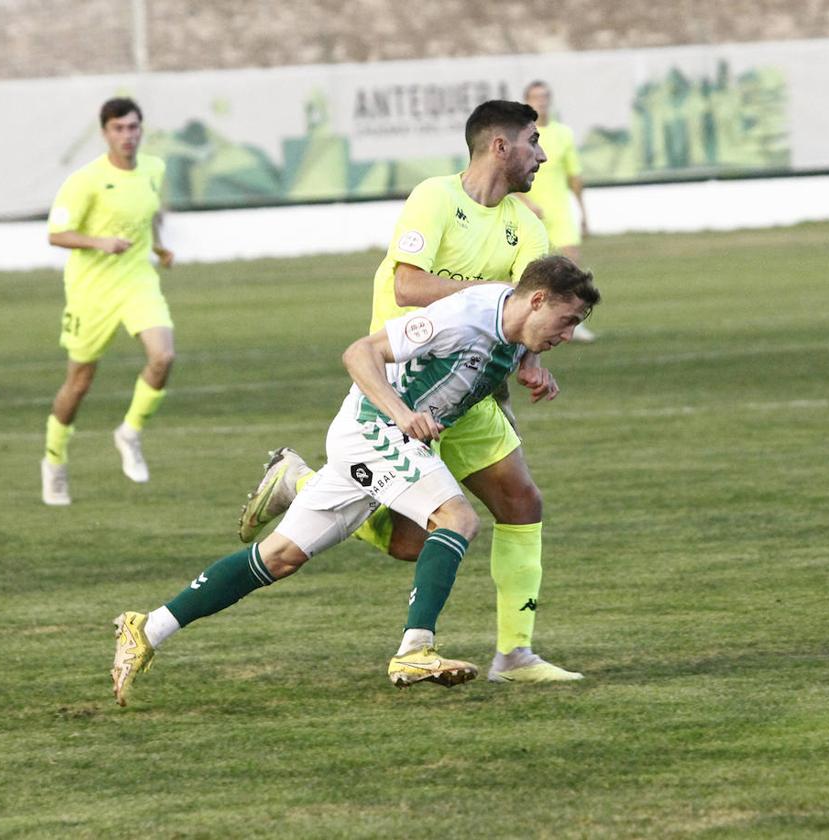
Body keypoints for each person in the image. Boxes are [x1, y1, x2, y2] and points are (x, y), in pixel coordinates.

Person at [111, 256, 601, 706]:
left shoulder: (512, 329)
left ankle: (147, 628)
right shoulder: (461, 316)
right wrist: (402, 414)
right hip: (375, 429)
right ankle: (416, 649)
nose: (568, 334)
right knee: (457, 518)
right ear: (537, 299)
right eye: (567, 321)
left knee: (279, 558)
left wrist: (532, 373)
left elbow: (482, 367)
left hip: (381, 439)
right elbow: (359, 352)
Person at [239, 100, 587, 685]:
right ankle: (302, 484)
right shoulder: (436, 198)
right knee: (410, 543)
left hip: (471, 396)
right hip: (400, 396)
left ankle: (515, 655)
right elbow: (406, 285)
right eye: (533, 141)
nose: (543, 154)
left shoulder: (527, 225)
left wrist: (528, 357)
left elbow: (531, 309)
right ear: (500, 146)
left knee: (522, 503)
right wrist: (493, 297)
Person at [42, 97, 176, 506]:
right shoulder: (86, 181)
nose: (127, 136)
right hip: (92, 292)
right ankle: (54, 460)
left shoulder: (154, 169)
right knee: (79, 382)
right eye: (119, 129)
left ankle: (130, 432)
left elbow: (148, 213)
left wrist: (158, 247)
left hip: (137, 281)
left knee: (163, 356)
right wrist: (99, 241)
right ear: (105, 133)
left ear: (141, 130)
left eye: (133, 127)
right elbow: (56, 234)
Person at [518, 80, 596, 343]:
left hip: (560, 214)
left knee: (573, 271)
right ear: (526, 101)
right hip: (530, 217)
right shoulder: (519, 135)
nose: (541, 101)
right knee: (530, 275)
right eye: (535, 97)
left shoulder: (563, 134)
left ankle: (575, 323)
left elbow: (574, 176)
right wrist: (526, 203)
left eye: (544, 97)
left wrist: (583, 213)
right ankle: (528, 324)